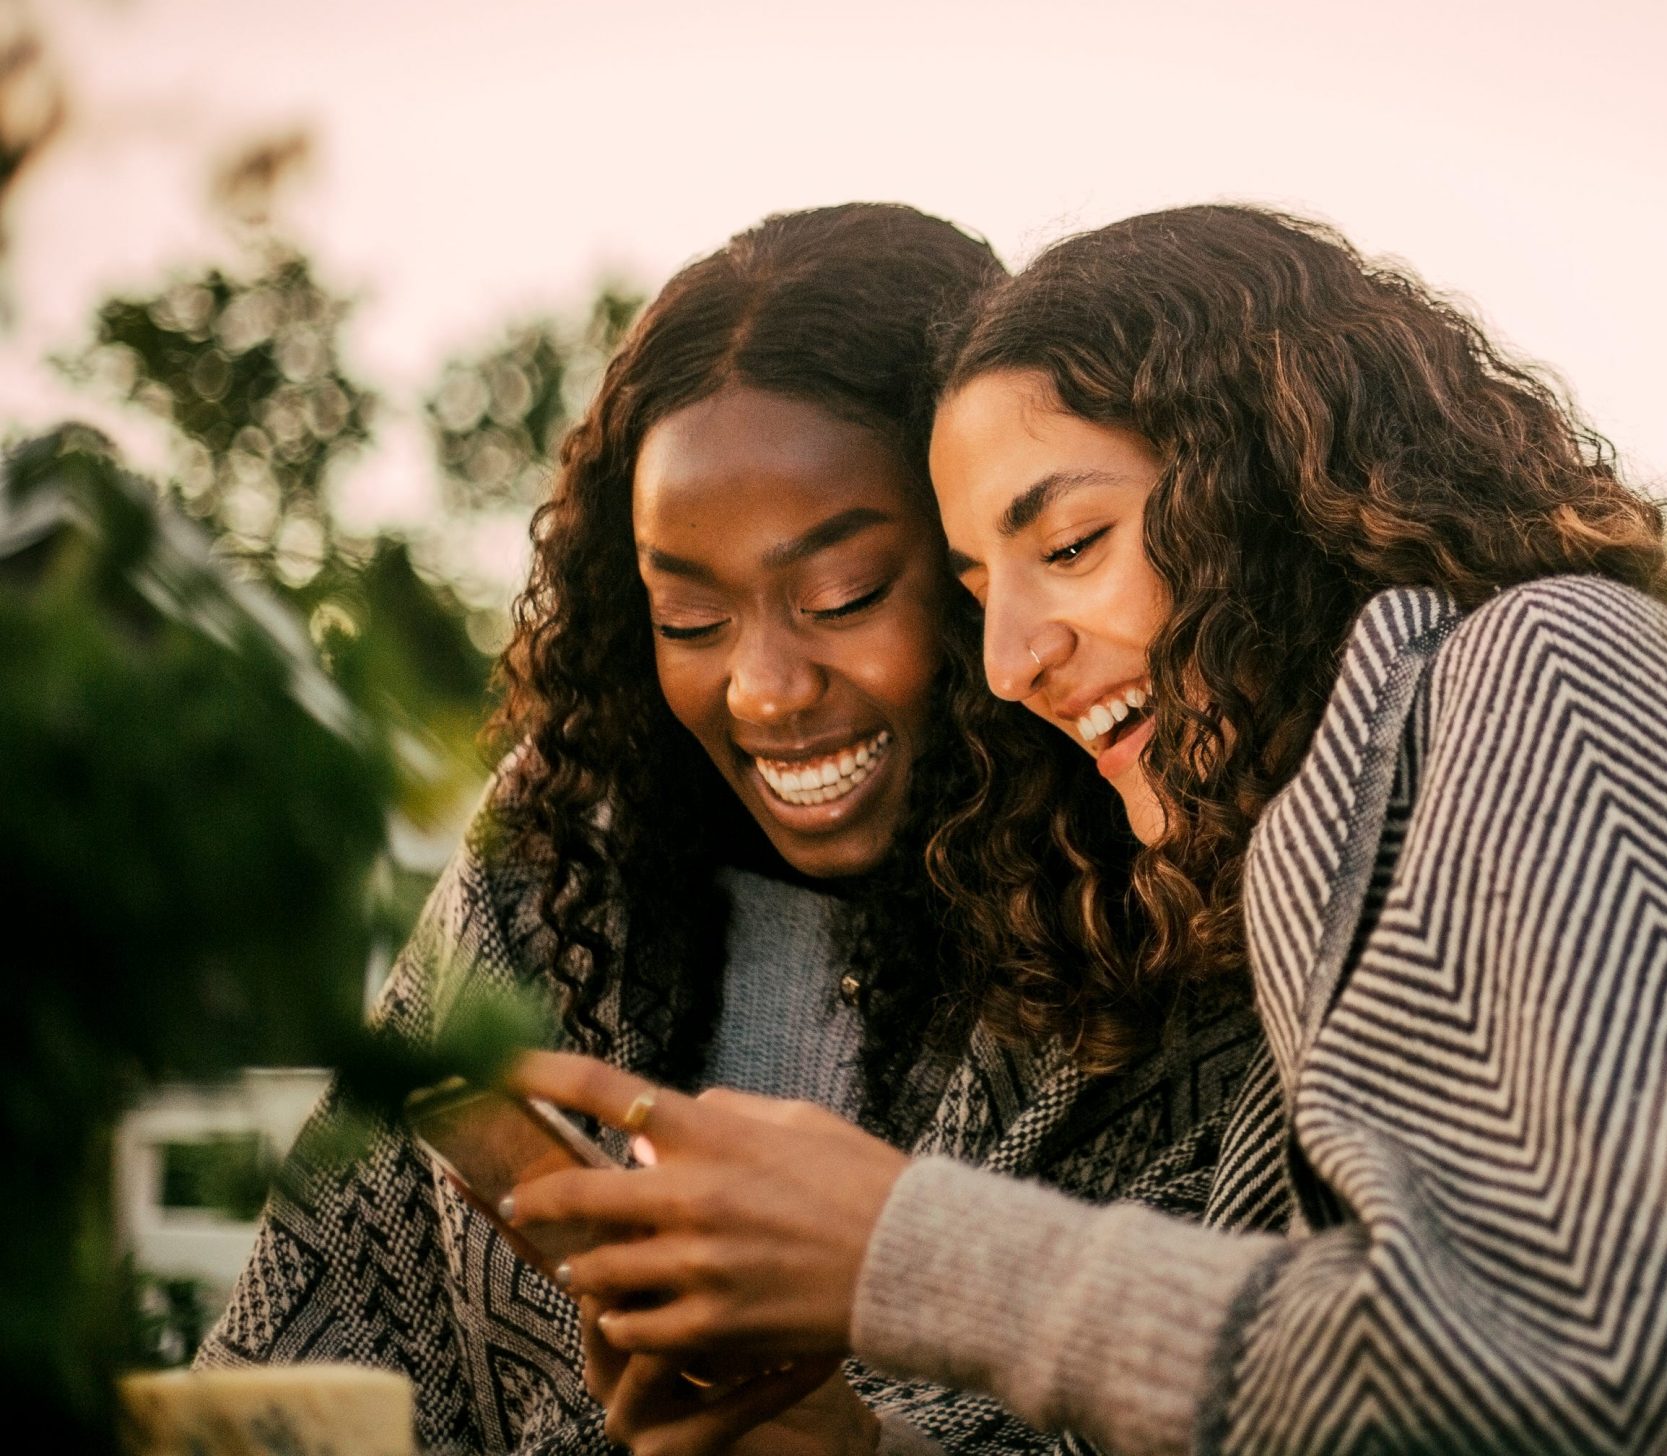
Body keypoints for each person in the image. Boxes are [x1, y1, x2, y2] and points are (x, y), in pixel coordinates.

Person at [512, 205, 1667, 1456]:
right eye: (975, 584)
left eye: (1069, 546)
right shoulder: (1307, 932)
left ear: (1274, 482)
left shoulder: (1547, 665)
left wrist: (901, 1246)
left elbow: (1637, 1370)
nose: (1007, 661)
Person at [201, 205, 1276, 1456]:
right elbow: (305, 1348)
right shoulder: (558, 862)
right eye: (690, 620)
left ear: (980, 565)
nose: (763, 689)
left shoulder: (1177, 908)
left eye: (842, 597)